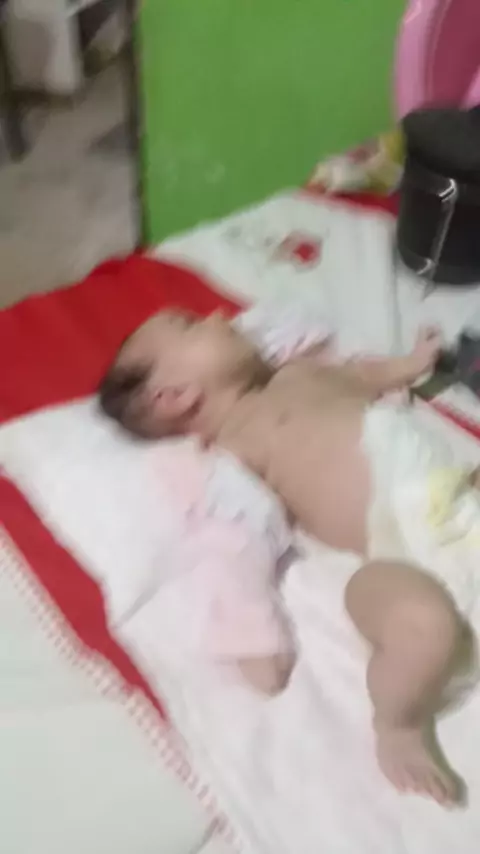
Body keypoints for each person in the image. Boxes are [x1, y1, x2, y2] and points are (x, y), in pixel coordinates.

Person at [99, 306, 480, 805]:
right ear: (176, 396)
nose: (217, 316)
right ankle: (399, 721)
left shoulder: (301, 375)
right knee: (423, 624)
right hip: (404, 553)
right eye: (191, 325)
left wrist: (413, 362)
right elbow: (237, 550)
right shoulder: (232, 454)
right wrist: (255, 638)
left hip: (461, 500)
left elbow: (365, 376)